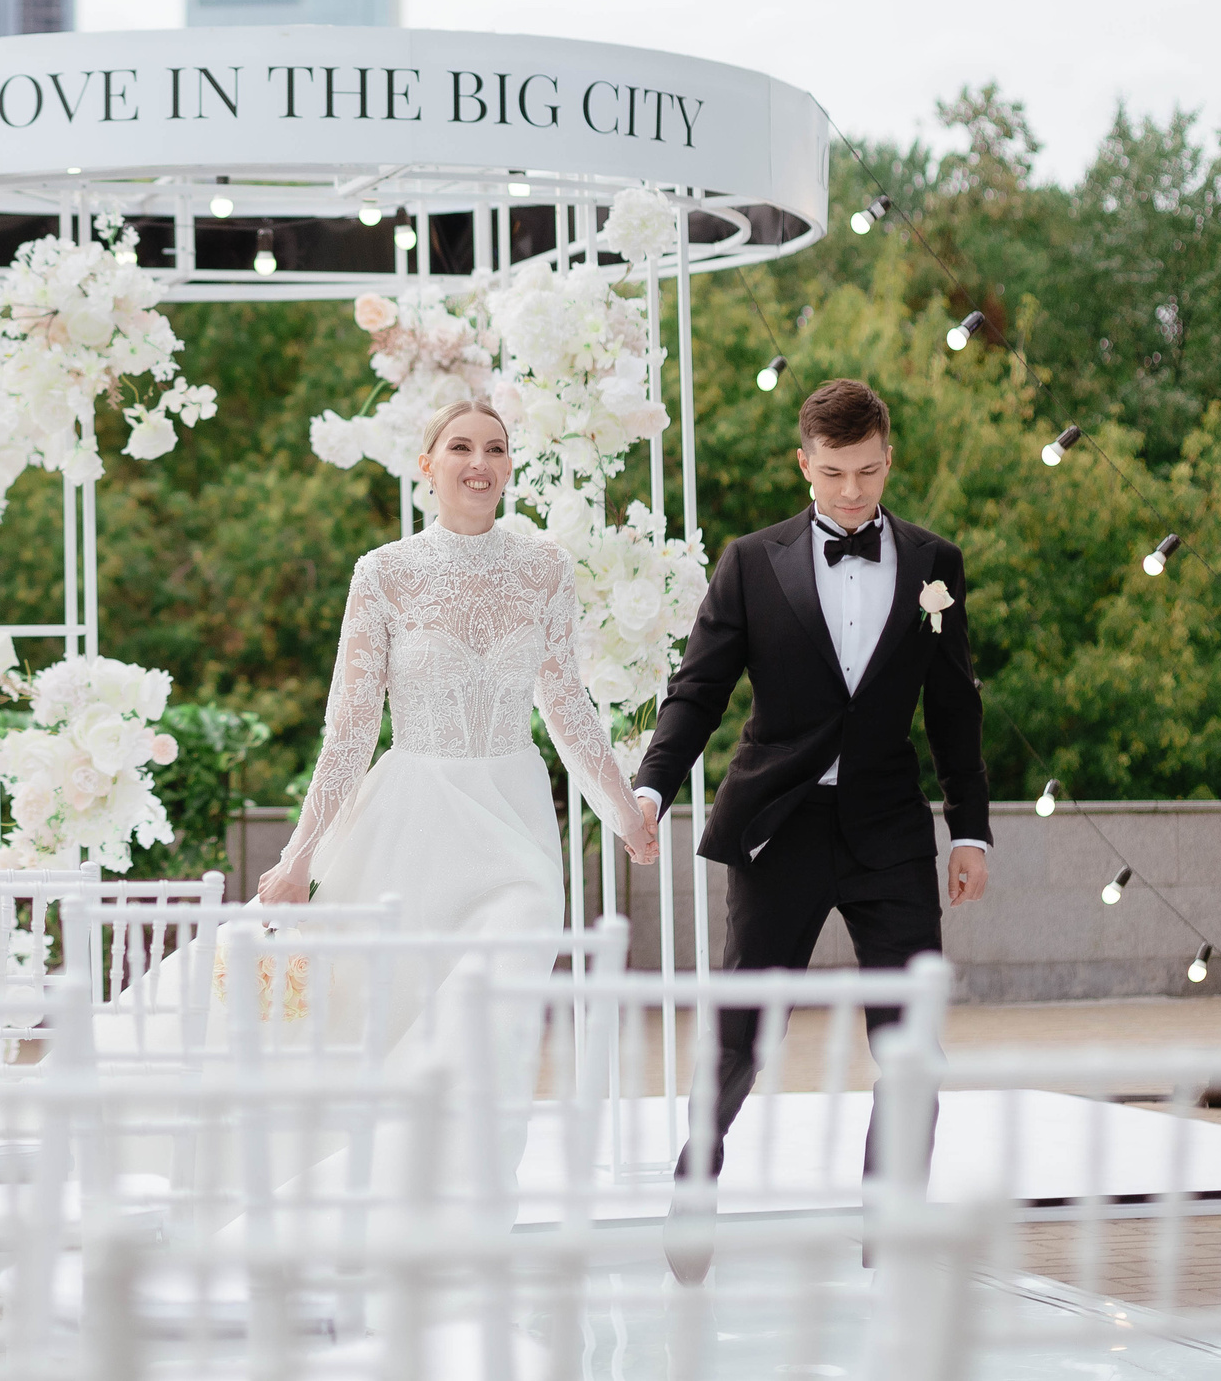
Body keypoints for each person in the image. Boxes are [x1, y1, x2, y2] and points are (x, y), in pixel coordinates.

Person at [630, 377, 990, 1181]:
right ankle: (696, 1174)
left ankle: (890, 1230)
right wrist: (650, 789)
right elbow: (699, 690)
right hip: (777, 825)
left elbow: (955, 707)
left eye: (867, 470)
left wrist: (969, 829)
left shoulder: (937, 564)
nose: (852, 490)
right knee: (743, 1032)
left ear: (889, 460)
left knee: (912, 1042)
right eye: (834, 473)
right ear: (804, 464)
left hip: (890, 832)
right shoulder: (752, 562)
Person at [257, 400, 659, 996]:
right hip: (415, 818)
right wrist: (299, 860)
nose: (480, 462)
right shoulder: (382, 574)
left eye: (495, 449)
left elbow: (567, 705)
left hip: (514, 809)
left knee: (514, 955)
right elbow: (350, 731)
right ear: (428, 465)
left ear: (509, 467)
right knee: (409, 1000)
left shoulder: (546, 568)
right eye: (461, 447)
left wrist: (625, 813)